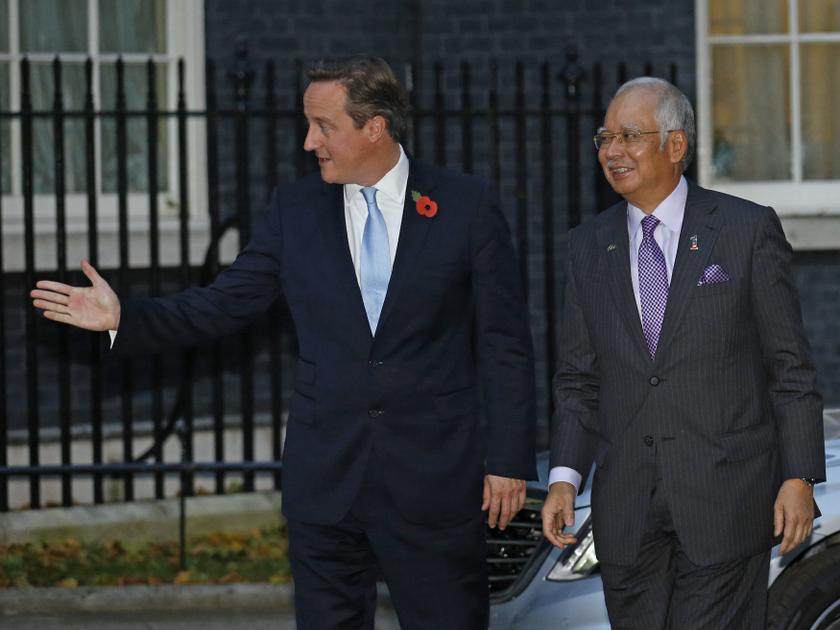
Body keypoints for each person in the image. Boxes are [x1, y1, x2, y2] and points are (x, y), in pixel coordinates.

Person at [31, 56, 537, 629]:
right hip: (326, 483)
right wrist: (126, 316)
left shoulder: (465, 205)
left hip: (434, 483)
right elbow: (223, 303)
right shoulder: (294, 211)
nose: (307, 141)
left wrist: (509, 460)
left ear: (375, 127)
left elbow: (505, 342)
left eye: (324, 126)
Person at [541, 77, 825, 629]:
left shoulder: (744, 230)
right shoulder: (586, 246)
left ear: (676, 145)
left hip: (726, 500)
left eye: (629, 135)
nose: (612, 151)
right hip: (627, 515)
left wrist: (799, 475)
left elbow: (790, 367)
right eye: (604, 137)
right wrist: (563, 479)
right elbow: (578, 378)